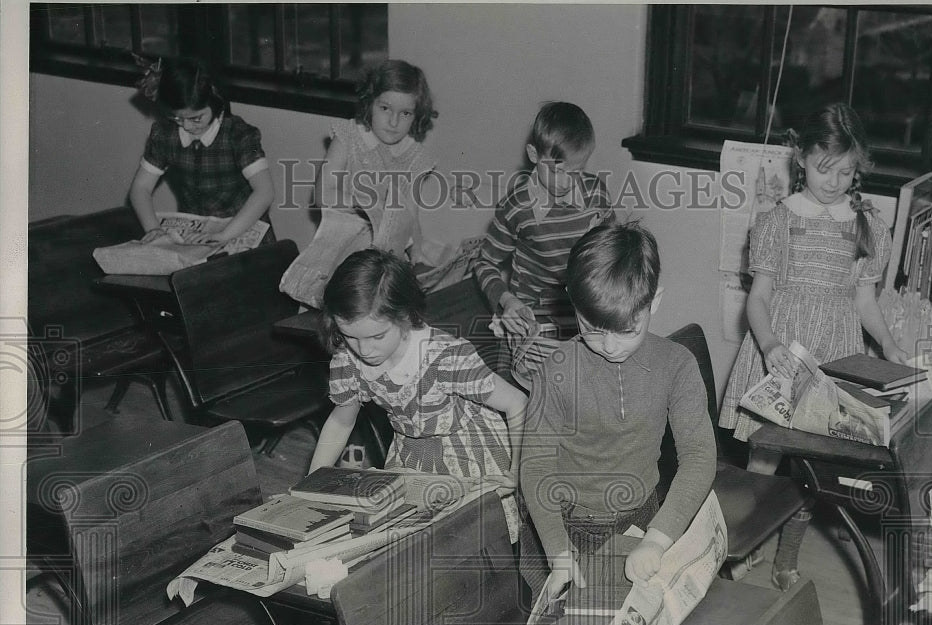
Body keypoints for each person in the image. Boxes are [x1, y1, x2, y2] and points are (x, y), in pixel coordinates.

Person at [719, 102, 907, 591]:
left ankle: (787, 556)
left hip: (834, 356)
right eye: (826, 169)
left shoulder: (867, 224)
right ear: (800, 157)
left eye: (847, 172)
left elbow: (864, 300)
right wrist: (769, 343)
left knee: (813, 466)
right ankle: (747, 543)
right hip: (782, 355)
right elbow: (757, 300)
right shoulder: (777, 222)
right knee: (764, 459)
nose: (836, 181)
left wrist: (887, 343)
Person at [518, 222, 716, 602]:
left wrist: (658, 538)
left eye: (625, 330)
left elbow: (700, 456)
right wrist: (558, 552)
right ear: (573, 305)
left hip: (643, 523)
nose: (608, 345)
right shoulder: (556, 371)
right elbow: (536, 466)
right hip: (561, 528)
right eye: (591, 329)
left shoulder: (677, 365)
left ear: (653, 303)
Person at [310, 248, 527, 540]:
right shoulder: (348, 361)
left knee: (478, 540)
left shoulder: (445, 357)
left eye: (377, 336)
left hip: (471, 457)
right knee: (415, 541)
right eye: (350, 336)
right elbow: (341, 421)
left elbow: (517, 402)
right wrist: (313, 483)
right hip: (412, 455)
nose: (364, 350)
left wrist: (517, 469)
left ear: (404, 316)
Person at [473, 102, 614, 388]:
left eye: (576, 171)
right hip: (533, 326)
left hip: (585, 319)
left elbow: (612, 250)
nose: (565, 182)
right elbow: (484, 262)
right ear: (534, 156)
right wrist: (507, 301)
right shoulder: (517, 207)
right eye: (557, 171)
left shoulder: (596, 193)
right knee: (537, 403)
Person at [280, 59, 437, 308]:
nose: (394, 122)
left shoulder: (415, 155)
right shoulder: (349, 137)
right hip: (341, 255)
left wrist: (417, 253)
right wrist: (365, 201)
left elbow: (411, 214)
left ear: (417, 115)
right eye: (385, 108)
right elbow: (323, 194)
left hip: (385, 262)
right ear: (369, 102)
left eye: (405, 113)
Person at [129, 57, 275, 246]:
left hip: (243, 228)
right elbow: (141, 188)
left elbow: (265, 192)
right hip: (197, 232)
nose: (187, 126)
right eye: (177, 118)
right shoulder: (164, 134)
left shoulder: (239, 135)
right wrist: (153, 229)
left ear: (216, 102)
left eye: (196, 118)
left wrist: (225, 235)